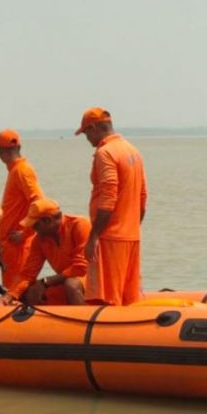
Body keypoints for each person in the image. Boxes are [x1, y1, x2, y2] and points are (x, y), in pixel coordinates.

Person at [76, 107, 147, 306]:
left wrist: (94, 236)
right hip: (131, 235)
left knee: (106, 299)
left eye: (86, 133)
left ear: (94, 128)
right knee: (129, 298)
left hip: (110, 237)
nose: (87, 139)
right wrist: (132, 225)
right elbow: (142, 195)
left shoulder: (105, 153)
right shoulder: (132, 150)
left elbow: (108, 198)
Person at [1, 198, 90, 306]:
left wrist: (45, 282)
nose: (33, 229)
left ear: (47, 220)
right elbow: (28, 274)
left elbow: (80, 268)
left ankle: (86, 321)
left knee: (71, 285)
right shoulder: (39, 240)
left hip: (93, 280)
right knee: (29, 291)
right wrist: (7, 297)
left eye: (35, 225)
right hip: (65, 281)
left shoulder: (80, 225)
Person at [0, 128, 44, 289]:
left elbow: (39, 203)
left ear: (1, 151)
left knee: (17, 289)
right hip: (12, 244)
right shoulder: (16, 170)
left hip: (18, 245)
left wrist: (25, 232)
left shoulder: (22, 171)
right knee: (12, 287)